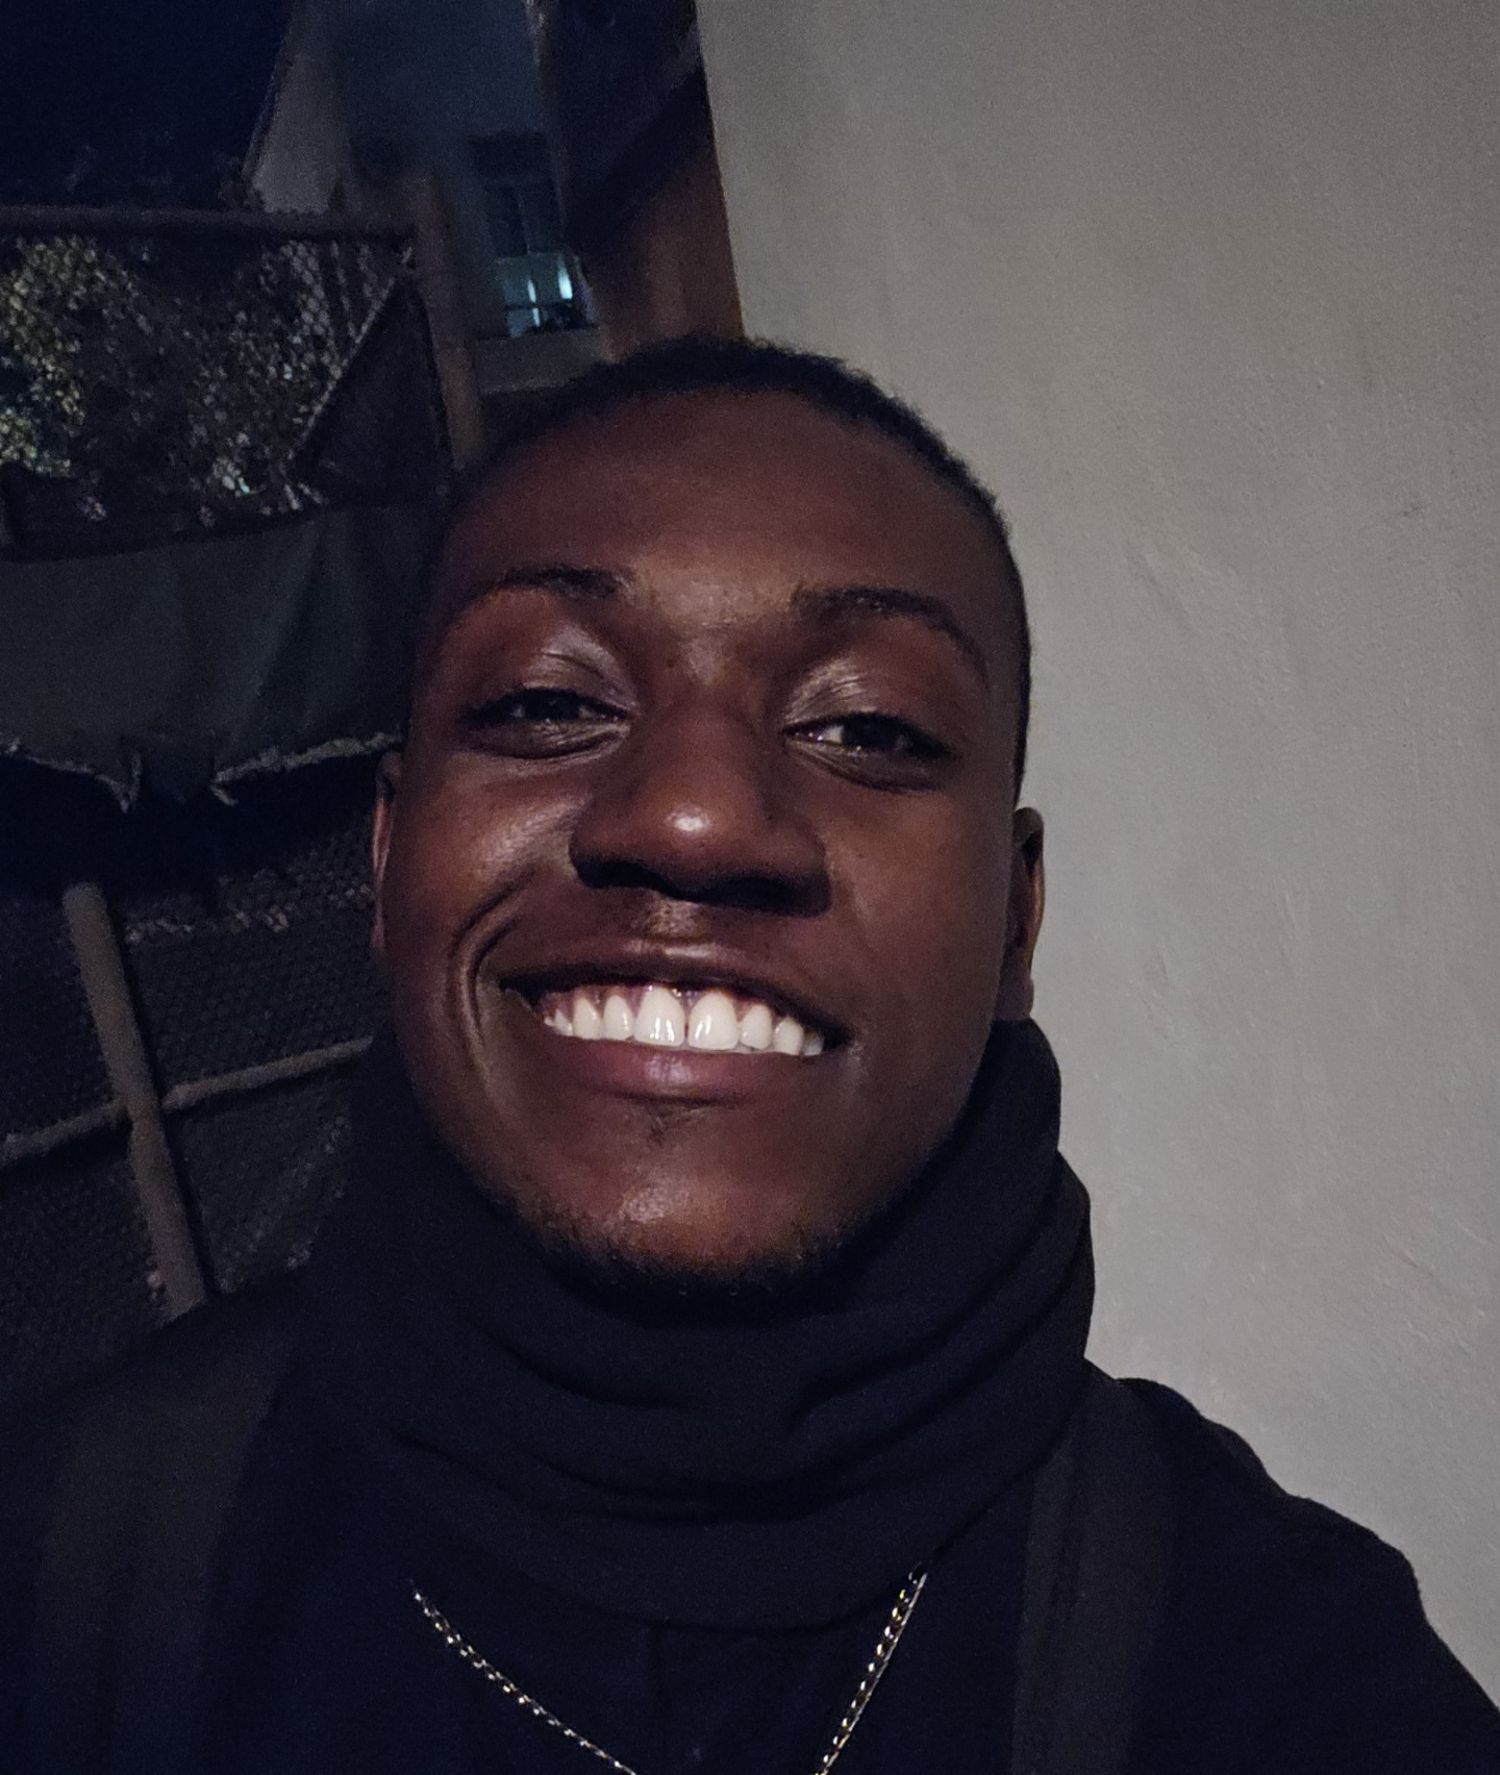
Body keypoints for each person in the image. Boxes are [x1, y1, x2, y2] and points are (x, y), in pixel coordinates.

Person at [3, 337, 1497, 1774]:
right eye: (547, 702)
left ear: (1016, 920)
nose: (695, 817)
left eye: (872, 728)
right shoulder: (69, 1572)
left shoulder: (1273, 1662)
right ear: (388, 861)